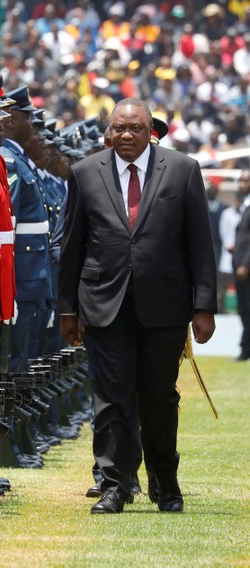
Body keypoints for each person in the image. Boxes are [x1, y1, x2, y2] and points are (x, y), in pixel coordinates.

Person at [59, 98, 216, 514]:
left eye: (136, 128)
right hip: (103, 304)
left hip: (164, 306)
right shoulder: (84, 173)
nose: (127, 136)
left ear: (151, 130)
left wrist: (204, 306)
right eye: (119, 128)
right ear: (109, 132)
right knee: (111, 398)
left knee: (159, 397)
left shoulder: (183, 170)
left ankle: (165, 482)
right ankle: (114, 484)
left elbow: (200, 244)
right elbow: (71, 247)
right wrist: (67, 311)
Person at [230, 170, 250, 360]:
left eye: (246, 181)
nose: (241, 184)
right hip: (240, 266)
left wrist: (246, 263)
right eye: (241, 181)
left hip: (246, 269)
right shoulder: (244, 206)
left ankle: (245, 349)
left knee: (247, 309)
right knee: (243, 309)